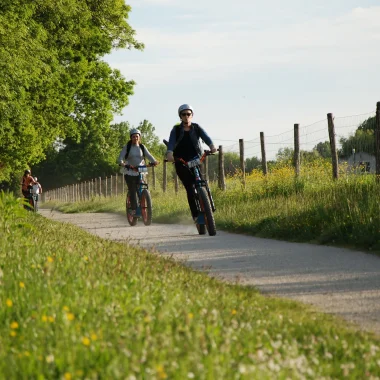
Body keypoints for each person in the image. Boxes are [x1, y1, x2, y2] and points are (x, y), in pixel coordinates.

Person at [166, 104, 216, 221]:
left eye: (189, 114)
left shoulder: (196, 127)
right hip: (181, 160)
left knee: (202, 182)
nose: (186, 116)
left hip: (196, 158)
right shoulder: (176, 129)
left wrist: (212, 146)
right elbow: (172, 142)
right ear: (180, 116)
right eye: (184, 114)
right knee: (189, 187)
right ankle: (196, 216)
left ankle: (208, 204)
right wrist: (169, 153)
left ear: (192, 115)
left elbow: (206, 137)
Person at [117, 128, 159, 215]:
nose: (135, 138)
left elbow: (149, 155)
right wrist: (123, 163)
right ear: (131, 138)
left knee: (143, 187)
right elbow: (120, 158)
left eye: (137, 136)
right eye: (133, 137)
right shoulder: (127, 147)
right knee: (132, 190)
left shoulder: (142, 147)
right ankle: (133, 209)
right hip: (130, 170)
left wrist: (154, 161)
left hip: (141, 169)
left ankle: (145, 200)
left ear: (139, 137)